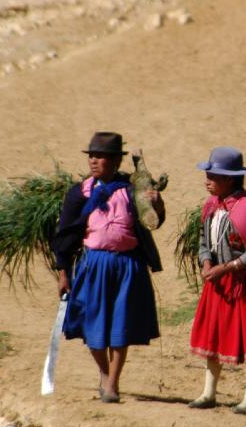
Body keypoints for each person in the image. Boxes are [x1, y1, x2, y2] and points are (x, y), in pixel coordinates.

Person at [52, 131, 165, 403]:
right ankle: (104, 372)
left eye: (100, 156)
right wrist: (63, 273)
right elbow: (64, 237)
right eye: (91, 155)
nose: (93, 160)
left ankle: (113, 383)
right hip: (94, 265)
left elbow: (154, 221)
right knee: (92, 322)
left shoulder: (131, 190)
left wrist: (157, 204)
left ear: (115, 161)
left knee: (121, 324)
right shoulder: (80, 193)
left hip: (128, 265)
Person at [188, 146, 246, 415]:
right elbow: (204, 241)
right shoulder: (211, 207)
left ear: (229, 179)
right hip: (217, 283)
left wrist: (226, 268)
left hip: (245, 285)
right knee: (213, 335)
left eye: (213, 175)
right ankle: (209, 393)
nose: (207, 179)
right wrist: (207, 263)